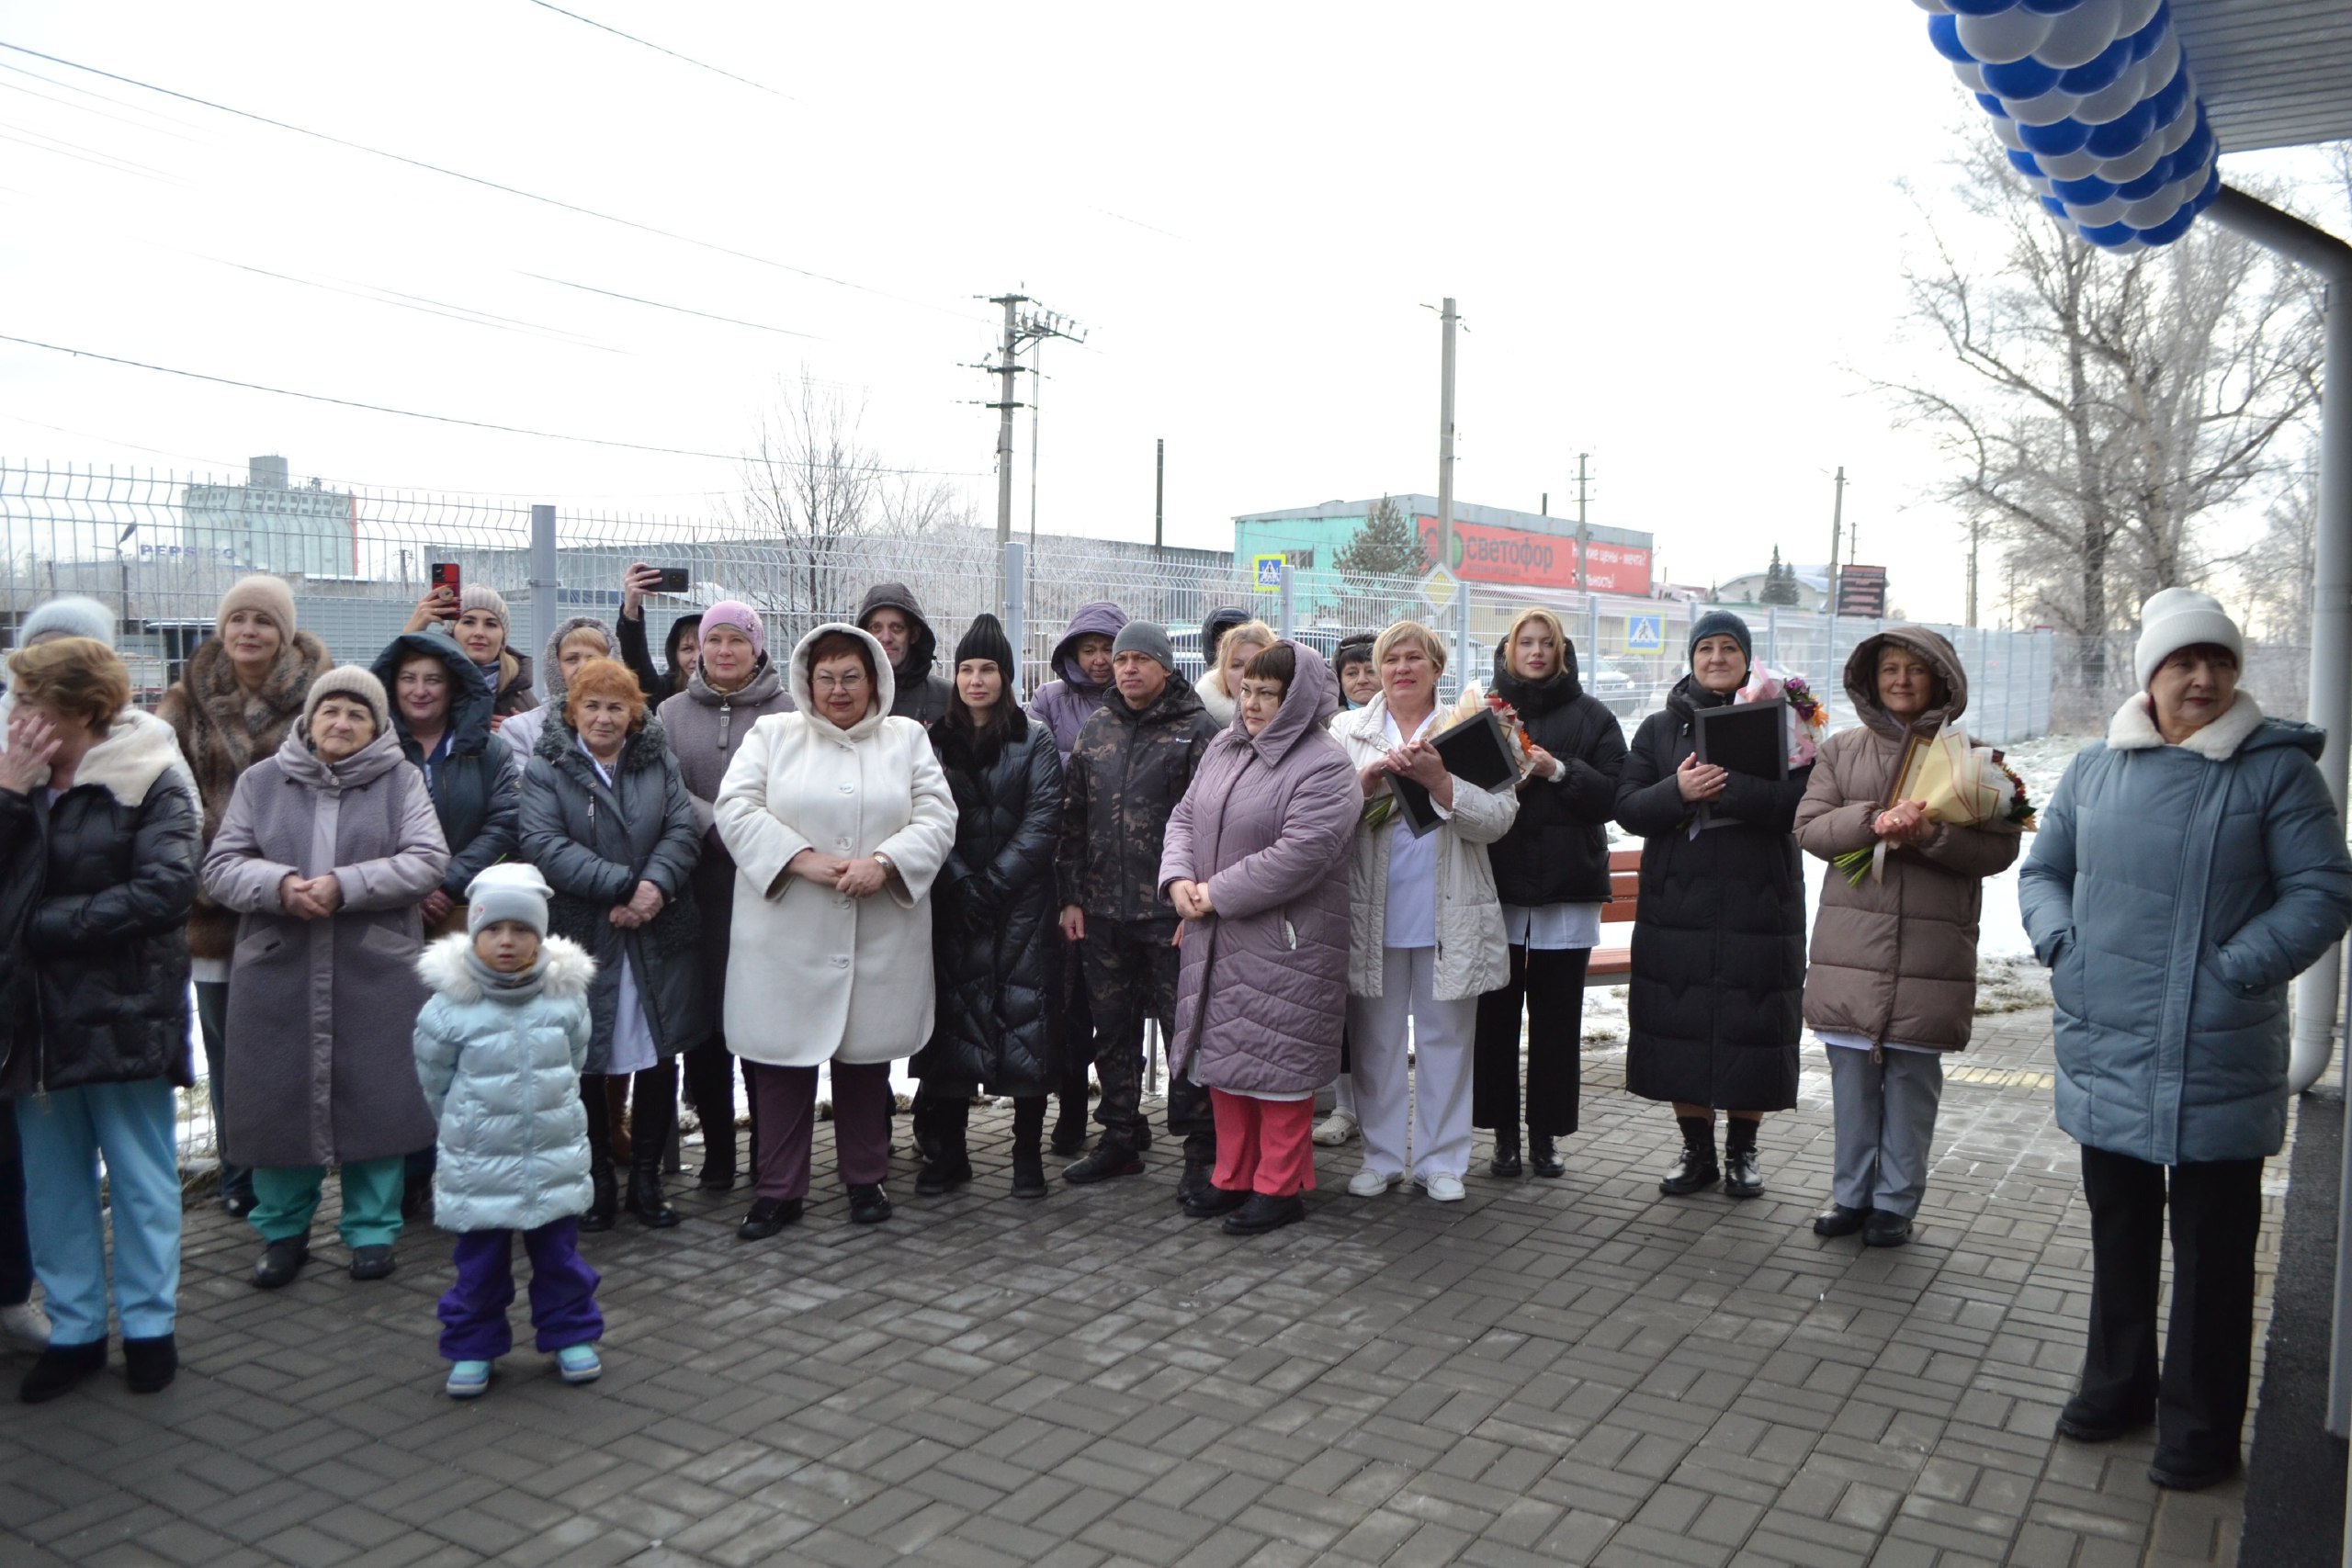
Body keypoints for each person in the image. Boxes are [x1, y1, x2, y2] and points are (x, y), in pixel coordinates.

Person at [2022, 589, 2352, 1492]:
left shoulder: (2274, 773)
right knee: (2119, 1230)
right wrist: (2061, 944)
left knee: (2212, 1252)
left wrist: (2235, 967)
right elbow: (2044, 869)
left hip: (2217, 1045)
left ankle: (2201, 1428)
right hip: (2107, 1041)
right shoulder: (2094, 770)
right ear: (2150, 676)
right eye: (2181, 662)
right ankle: (2117, 1386)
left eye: (2217, 661)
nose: (2201, 678)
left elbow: (2323, 891)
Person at [201, 667, 449, 1289]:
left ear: (376, 726)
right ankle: (283, 1231)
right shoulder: (261, 781)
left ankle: (372, 1231)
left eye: (357, 714)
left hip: (374, 965)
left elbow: (427, 859)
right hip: (279, 963)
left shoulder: (400, 780)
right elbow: (222, 866)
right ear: (309, 720)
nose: (341, 723)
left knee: (378, 1096)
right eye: (330, 711)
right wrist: (279, 886)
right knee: (278, 1096)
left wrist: (348, 885)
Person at [0, 638, 199, 1402]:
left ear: (80, 709)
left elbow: (165, 889)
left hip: (122, 1008)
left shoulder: (151, 775)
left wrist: (41, 927)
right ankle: (77, 1328)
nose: (16, 717)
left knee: (142, 1174)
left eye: (30, 701)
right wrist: (10, 798)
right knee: (52, 1184)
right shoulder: (14, 778)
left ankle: (150, 1326)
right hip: (33, 1018)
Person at [716, 625, 956, 1233]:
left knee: (864, 1061)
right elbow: (736, 807)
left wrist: (886, 863)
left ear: (875, 677)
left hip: (876, 932)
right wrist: (800, 858)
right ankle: (777, 1189)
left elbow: (937, 815)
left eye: (852, 676)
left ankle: (865, 1180)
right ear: (806, 681)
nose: (839, 689)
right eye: (826, 677)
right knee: (781, 1065)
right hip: (785, 934)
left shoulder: (905, 739)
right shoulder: (772, 734)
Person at [1795, 628, 2018, 1248]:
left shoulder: (1976, 759)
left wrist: (1933, 838)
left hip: (1929, 956)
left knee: (1912, 1084)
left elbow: (2001, 848)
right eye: (1889, 669)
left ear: (1941, 680)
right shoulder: (1841, 752)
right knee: (1852, 1083)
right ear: (1871, 680)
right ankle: (1851, 1193)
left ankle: (1895, 1201)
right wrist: (1871, 820)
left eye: (1914, 670)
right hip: (1853, 950)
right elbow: (1809, 829)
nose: (1900, 679)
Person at [1613, 611, 1811, 1199]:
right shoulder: (1657, 728)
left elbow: (1800, 802)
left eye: (1730, 648)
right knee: (1682, 1022)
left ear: (1748, 660)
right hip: (1680, 901)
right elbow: (1626, 806)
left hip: (1760, 899)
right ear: (1692, 659)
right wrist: (1678, 791)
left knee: (1755, 1021)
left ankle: (1744, 1153)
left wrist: (1726, 786)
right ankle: (1695, 1150)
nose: (1718, 658)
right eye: (1707, 649)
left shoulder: (1787, 723)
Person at [1161, 641, 1355, 1235]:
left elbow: (1301, 853)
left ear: (1296, 698)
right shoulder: (1225, 746)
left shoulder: (1324, 763)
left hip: (1284, 941)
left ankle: (1280, 1186)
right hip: (1215, 935)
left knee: (1279, 1072)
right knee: (1226, 1065)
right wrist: (1178, 881)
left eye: (1267, 694)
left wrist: (1214, 892)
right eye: (1245, 689)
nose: (1251, 703)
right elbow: (1184, 818)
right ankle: (1233, 1175)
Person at [158, 575, 334, 1219]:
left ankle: (294, 1171)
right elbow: (165, 799)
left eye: (264, 620)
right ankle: (238, 1169)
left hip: (296, 897)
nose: (249, 632)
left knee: (294, 1045)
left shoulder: (320, 695)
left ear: (284, 631)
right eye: (238, 620)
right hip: (210, 907)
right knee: (229, 1046)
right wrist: (206, 873)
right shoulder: (183, 703)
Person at [519, 657, 708, 1232]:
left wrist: (653, 888)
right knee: (586, 1058)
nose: (603, 718)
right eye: (592, 706)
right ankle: (597, 1180)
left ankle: (646, 1180)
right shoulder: (548, 766)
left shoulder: (658, 761)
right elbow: (542, 842)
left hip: (656, 931)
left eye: (616, 706)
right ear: (572, 710)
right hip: (584, 934)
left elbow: (682, 828)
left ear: (634, 713)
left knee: (656, 1050)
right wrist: (624, 885)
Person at [1333, 622, 1518, 1203]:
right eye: (1391, 660)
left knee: (1446, 1041)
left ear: (1438, 668)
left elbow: (1499, 820)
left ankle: (1442, 1161)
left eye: (1416, 658)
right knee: (1377, 1042)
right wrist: (1359, 789)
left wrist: (1442, 782)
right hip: (1373, 910)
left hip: (1448, 911)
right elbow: (1318, 822)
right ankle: (1383, 1157)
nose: (1401, 669)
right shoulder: (1347, 731)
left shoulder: (1467, 728)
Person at [413, 863, 605, 1399]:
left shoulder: (565, 999)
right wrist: (464, 1129)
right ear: (473, 933)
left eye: (521, 930)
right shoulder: (449, 1008)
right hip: (478, 1161)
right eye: (493, 930)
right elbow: (435, 1081)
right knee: (478, 1266)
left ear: (540, 935)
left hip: (553, 1154)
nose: (506, 941)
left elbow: (574, 1062)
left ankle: (570, 1334)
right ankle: (472, 1345)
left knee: (561, 1259)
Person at [1055, 621, 1223, 1196]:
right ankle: (1120, 1137)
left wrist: (1194, 903)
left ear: (1166, 667)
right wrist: (1072, 896)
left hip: (1170, 915)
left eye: (1139, 660)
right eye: (1120, 659)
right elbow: (1072, 817)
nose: (1126, 668)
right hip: (1102, 913)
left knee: (1186, 1031)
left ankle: (1201, 1148)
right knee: (1113, 1031)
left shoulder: (1199, 731)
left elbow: (1212, 825)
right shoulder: (1096, 728)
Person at [0, 593, 121, 1359]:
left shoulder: (122, 763)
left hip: (44, 999)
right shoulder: (14, 760)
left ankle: (14, 1295)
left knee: (19, 1158)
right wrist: (10, 792)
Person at [371, 627, 526, 1220]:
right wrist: (411, 888)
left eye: (432, 678)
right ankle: (409, 1172)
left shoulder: (485, 750)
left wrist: (448, 880)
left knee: (467, 1050)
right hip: (393, 918)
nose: (419, 689)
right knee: (403, 1049)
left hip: (461, 917)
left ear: (454, 685)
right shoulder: (379, 747)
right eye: (408, 678)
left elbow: (504, 820)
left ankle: (466, 1170)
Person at [1472, 610, 1627, 1179]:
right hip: (1500, 888)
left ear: (1562, 651)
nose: (1536, 652)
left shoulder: (1593, 716)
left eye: (1547, 643)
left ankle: (1546, 1137)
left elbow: (1614, 795)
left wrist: (1559, 770)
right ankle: (1503, 1137)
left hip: (1567, 890)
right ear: (1508, 649)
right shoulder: (1484, 710)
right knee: (1495, 1019)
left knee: (1557, 1022)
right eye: (1525, 642)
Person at [913, 615, 1064, 1200]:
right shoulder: (932, 742)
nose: (976, 680)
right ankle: (951, 1155)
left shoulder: (1035, 739)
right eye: (967, 669)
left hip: (1021, 908)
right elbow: (922, 814)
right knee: (951, 1031)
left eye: (989, 669)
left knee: (1026, 1029)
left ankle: (1028, 1158)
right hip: (953, 904)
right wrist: (958, 882)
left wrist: (994, 884)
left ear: (1006, 676)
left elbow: (1044, 817)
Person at [654, 603, 793, 1194]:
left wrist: (749, 836)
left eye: (738, 640)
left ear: (757, 648)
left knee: (763, 1028)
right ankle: (716, 1154)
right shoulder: (670, 713)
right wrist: (716, 826)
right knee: (706, 1031)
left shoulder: (788, 711)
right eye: (715, 641)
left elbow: (794, 787)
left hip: (767, 886)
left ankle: (770, 1156)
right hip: (699, 886)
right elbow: (665, 785)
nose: (725, 651)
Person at [1026, 600, 1128, 1158]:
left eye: (1108, 650)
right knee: (1064, 1002)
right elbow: (1038, 766)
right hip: (1059, 868)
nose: (1099, 661)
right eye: (1088, 650)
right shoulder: (1050, 700)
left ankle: (1121, 1113)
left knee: (1112, 1001)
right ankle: (1068, 1113)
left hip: (1118, 868)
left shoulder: (1133, 699)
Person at [1312, 629, 1383, 1150]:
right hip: (1340, 880)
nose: (1361, 679)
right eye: (1351, 672)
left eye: (1368, 669)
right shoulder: (1332, 732)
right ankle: (1344, 1106)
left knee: (1376, 1009)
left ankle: (1378, 1107)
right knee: (1339, 1003)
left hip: (1385, 883)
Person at [401, 581, 537, 720]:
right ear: (452, 633)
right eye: (468, 622)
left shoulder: (521, 692)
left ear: (503, 639)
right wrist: (409, 638)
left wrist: (524, 734)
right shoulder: (426, 684)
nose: (479, 633)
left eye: (491, 624)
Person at [503, 616, 626, 762]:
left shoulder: (630, 727)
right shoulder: (521, 730)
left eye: (593, 659)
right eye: (572, 659)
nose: (582, 667)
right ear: (555, 666)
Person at [857, 581, 953, 727]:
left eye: (897, 628)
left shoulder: (946, 696)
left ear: (914, 634)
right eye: (876, 628)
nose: (886, 638)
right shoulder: (849, 695)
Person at [616, 561, 700, 700]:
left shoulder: (735, 693)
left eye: (704, 648)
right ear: (674, 654)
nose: (696, 658)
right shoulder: (665, 693)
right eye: (687, 649)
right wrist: (631, 609)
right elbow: (637, 665)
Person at [1194, 618, 1276, 729]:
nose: (1247, 673)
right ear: (1223, 673)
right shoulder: (1200, 727)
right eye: (1237, 665)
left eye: (1256, 663)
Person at [1332, 632, 1380, 712]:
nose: (1362, 680)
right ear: (1339, 679)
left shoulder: (1405, 718)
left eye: (1371, 671)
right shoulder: (1322, 722)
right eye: (1352, 674)